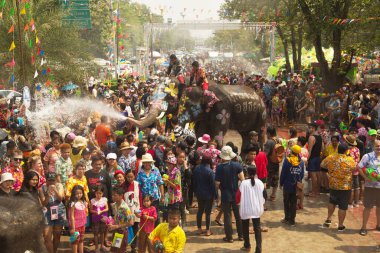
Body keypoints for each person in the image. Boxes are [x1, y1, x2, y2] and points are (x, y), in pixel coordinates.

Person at [321, 143, 356, 231]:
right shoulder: (350, 160)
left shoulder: (331, 157)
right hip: (345, 186)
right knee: (342, 206)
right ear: (346, 150)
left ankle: (328, 219)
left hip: (333, 184)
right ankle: (340, 225)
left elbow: (322, 165)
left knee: (332, 202)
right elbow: (354, 169)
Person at [215, 145, 244, 243]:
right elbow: (242, 179)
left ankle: (229, 237)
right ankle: (241, 236)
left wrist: (217, 194)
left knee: (227, 216)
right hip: (236, 194)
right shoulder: (237, 165)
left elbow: (217, 184)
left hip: (225, 195)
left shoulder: (219, 168)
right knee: (238, 215)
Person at [239, 166, 265, 252]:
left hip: (246, 208)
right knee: (257, 228)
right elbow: (265, 195)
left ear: (247, 173)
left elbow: (239, 195)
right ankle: (259, 248)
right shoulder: (260, 182)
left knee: (245, 227)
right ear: (256, 172)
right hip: (256, 208)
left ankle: (247, 246)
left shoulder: (243, 183)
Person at [193, 149, 217, 236]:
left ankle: (199, 229)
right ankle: (207, 230)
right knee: (207, 212)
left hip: (199, 193)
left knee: (200, 211)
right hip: (209, 195)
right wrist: (215, 196)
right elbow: (213, 186)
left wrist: (195, 192)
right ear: (210, 161)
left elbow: (194, 182)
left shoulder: (196, 168)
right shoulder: (210, 172)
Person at [358, 139, 380, 236]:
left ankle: (378, 225)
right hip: (370, 186)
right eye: (377, 146)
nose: (379, 147)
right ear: (373, 146)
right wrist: (366, 177)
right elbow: (359, 167)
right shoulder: (367, 156)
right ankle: (363, 227)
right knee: (367, 207)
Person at [280, 145, 305, 226]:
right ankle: (292, 221)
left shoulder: (287, 160)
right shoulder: (301, 162)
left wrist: (281, 183)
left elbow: (283, 173)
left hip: (287, 185)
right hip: (296, 186)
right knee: (294, 203)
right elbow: (302, 175)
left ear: (292, 151)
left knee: (286, 202)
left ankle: (287, 218)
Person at [41, 172, 66, 253]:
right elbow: (43, 203)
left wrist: (55, 189)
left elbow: (60, 199)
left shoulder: (59, 186)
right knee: (47, 236)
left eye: (53, 181)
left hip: (59, 210)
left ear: (56, 180)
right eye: (49, 181)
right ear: (46, 180)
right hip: (47, 212)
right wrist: (47, 194)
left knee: (57, 236)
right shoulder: (42, 188)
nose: (51, 183)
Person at [137, 153, 164, 226]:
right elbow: (138, 186)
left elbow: (160, 183)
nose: (147, 164)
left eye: (148, 162)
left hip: (155, 198)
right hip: (145, 199)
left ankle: (156, 234)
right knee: (145, 216)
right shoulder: (140, 173)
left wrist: (162, 196)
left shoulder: (155, 171)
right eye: (145, 162)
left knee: (156, 216)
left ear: (151, 162)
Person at [108, 186, 134, 253]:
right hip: (116, 231)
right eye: (112, 195)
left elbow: (131, 222)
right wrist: (111, 223)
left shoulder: (125, 208)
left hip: (122, 232)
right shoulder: (114, 205)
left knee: (120, 250)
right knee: (116, 249)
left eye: (115, 195)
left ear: (121, 196)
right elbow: (116, 218)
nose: (113, 197)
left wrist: (117, 226)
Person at [124, 169, 142, 252]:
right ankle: (127, 244)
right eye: (128, 177)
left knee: (135, 227)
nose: (130, 178)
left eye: (131, 177)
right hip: (126, 210)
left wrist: (140, 208)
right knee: (127, 227)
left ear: (134, 176)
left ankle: (134, 246)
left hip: (136, 209)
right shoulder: (123, 185)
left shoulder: (137, 184)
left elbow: (140, 197)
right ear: (126, 177)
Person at [162, 156, 182, 221]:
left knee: (175, 215)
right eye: (167, 163)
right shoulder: (168, 171)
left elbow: (176, 186)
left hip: (175, 197)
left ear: (173, 164)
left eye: (169, 164)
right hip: (170, 196)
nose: (168, 165)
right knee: (169, 214)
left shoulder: (177, 172)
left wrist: (167, 181)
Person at [68, 185, 87, 253]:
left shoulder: (83, 202)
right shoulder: (72, 203)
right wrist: (73, 228)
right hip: (75, 226)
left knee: (81, 240)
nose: (79, 195)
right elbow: (71, 216)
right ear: (74, 194)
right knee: (74, 241)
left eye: (80, 193)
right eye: (77, 193)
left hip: (83, 225)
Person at [90, 185, 109, 253]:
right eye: (97, 193)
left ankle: (102, 246)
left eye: (100, 193)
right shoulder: (92, 200)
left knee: (102, 232)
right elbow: (91, 210)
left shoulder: (104, 200)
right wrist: (95, 212)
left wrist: (101, 211)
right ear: (95, 193)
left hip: (103, 218)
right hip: (95, 218)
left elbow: (107, 208)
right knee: (95, 233)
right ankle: (96, 247)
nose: (98, 195)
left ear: (102, 193)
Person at [307, 122, 323, 197]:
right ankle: (318, 191)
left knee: (313, 176)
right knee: (319, 175)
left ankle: (313, 192)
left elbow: (309, 150)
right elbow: (322, 148)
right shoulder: (320, 137)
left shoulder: (311, 137)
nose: (308, 129)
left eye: (310, 128)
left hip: (312, 158)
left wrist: (307, 159)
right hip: (318, 158)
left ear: (313, 128)